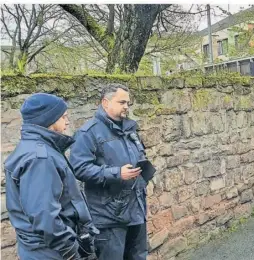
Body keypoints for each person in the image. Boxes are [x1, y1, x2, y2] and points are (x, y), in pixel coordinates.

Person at [4, 93, 98, 260]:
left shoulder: (39, 149)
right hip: (49, 252)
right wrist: (70, 251)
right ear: (49, 120)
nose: (67, 121)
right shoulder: (40, 158)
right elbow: (45, 216)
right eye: (63, 117)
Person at [69, 83, 151, 260]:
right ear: (105, 103)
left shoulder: (130, 129)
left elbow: (139, 156)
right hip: (108, 216)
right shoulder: (87, 133)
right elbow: (79, 168)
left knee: (138, 256)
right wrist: (116, 173)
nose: (126, 107)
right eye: (122, 102)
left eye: (128, 103)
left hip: (136, 209)